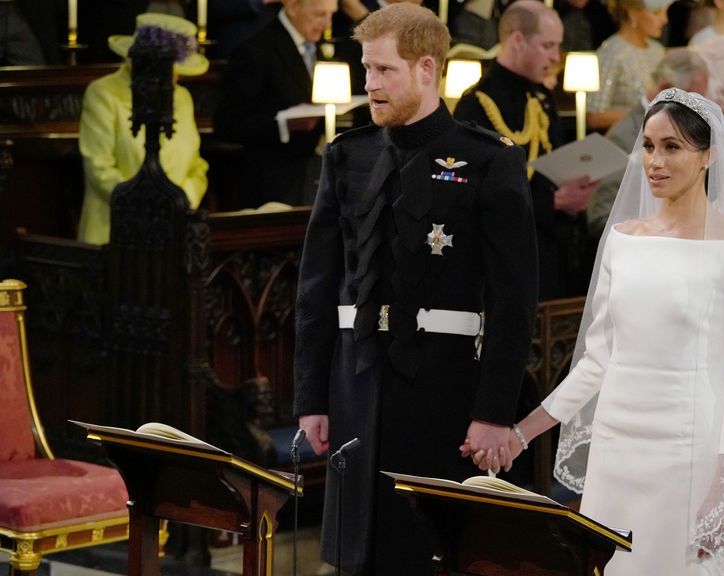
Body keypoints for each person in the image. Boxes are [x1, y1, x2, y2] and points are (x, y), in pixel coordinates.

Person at [481, 88, 724, 575]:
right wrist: (520, 434)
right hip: (618, 452)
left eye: (672, 147)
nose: (655, 161)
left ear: (708, 156)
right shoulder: (623, 240)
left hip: (690, 453)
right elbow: (596, 362)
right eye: (647, 146)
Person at [293, 4, 538, 575]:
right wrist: (310, 398)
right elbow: (316, 288)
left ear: (426, 68)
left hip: (445, 388)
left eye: (384, 70)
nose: (370, 83)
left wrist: (494, 412)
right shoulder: (346, 157)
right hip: (355, 383)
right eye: (367, 69)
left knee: (431, 552)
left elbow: (513, 300)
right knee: (358, 554)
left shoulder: (488, 160)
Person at [454, 0, 598, 299]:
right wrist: (552, 202)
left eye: (557, 46)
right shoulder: (478, 103)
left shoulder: (542, 95)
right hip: (503, 255)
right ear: (517, 40)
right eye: (547, 45)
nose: (555, 57)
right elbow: (475, 189)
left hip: (549, 246)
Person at [78, 13, 208, 245]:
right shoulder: (103, 93)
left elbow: (197, 167)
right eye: (169, 68)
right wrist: (150, 209)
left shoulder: (183, 97)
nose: (175, 78)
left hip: (174, 234)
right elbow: (100, 170)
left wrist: (182, 201)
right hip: (115, 236)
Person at [214, 0, 337, 208]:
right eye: (319, 15)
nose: (327, 24)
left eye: (331, 15)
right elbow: (227, 123)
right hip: (274, 184)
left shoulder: (322, 46)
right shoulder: (255, 49)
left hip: (316, 176)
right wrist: (283, 124)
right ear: (292, 7)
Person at [587, 47, 709, 237]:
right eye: (690, 99)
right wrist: (647, 240)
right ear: (665, 88)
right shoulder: (625, 135)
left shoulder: (698, 138)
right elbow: (601, 216)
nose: (698, 109)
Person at [585, 0, 670, 131]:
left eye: (665, 12)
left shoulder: (658, 50)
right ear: (634, 13)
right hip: (624, 141)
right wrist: (646, 113)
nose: (664, 20)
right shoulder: (612, 53)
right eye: (657, 13)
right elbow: (595, 116)